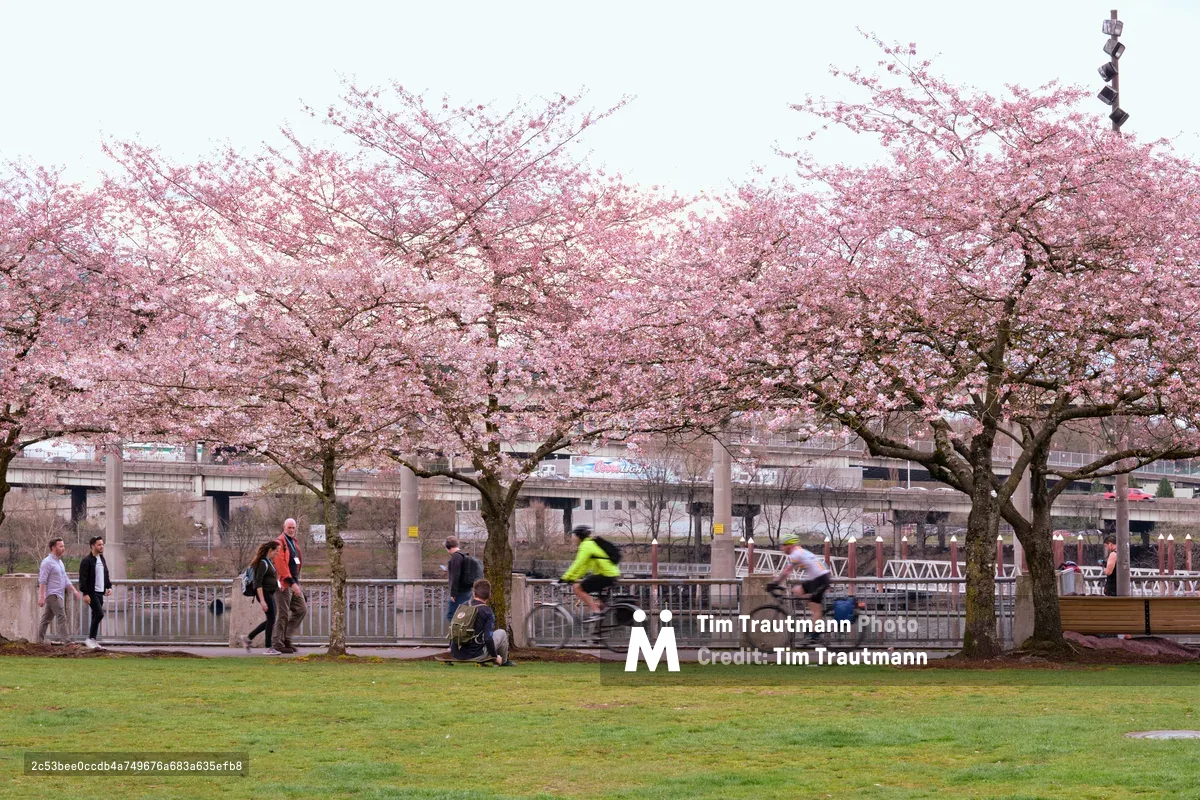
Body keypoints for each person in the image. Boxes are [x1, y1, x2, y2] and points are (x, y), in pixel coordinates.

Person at [768, 535, 832, 643]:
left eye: (783, 546)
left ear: (790, 545)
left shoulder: (796, 553)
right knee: (796, 591)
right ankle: (814, 617)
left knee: (816, 610)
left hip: (820, 579)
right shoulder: (799, 551)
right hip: (814, 579)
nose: (781, 549)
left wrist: (775, 583)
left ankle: (813, 635)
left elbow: (787, 571)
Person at [448, 579, 514, 666]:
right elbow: (488, 638)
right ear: (489, 595)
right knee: (501, 633)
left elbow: (454, 629)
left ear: (474, 593)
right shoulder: (487, 611)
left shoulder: (463, 606)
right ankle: (503, 661)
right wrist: (494, 656)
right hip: (476, 655)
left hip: (456, 654)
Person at [560, 525, 620, 615]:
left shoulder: (586, 545)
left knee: (578, 588)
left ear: (579, 537)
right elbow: (584, 567)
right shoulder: (592, 544)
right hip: (611, 574)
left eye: (575, 536)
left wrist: (565, 577)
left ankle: (596, 612)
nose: (574, 539)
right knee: (600, 604)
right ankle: (599, 619)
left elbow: (578, 563)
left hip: (605, 575)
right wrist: (573, 577)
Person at [37, 538, 83, 645]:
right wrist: (42, 597)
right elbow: (42, 580)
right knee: (62, 616)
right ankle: (67, 642)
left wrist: (75, 591)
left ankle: (39, 641)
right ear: (54, 548)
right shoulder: (47, 562)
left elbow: (65, 579)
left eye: (63, 546)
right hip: (52, 595)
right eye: (61, 546)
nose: (63, 548)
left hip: (59, 594)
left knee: (46, 620)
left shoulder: (60, 562)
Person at [271, 518, 307, 653]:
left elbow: (295, 565)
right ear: (284, 527)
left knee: (301, 609)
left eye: (293, 527)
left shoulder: (293, 542)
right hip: (284, 585)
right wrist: (292, 584)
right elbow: (281, 565)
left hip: (294, 583)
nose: (292, 530)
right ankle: (277, 642)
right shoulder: (279, 543)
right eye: (289, 527)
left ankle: (286, 637)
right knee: (283, 614)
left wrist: (296, 584)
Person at [242, 541, 282, 655]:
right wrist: (263, 601)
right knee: (271, 619)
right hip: (264, 594)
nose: (278, 553)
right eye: (277, 551)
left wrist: (278, 584)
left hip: (269, 593)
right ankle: (269, 647)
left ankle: (248, 638)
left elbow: (270, 578)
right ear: (270, 550)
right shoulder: (262, 563)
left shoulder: (269, 562)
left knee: (271, 619)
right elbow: (257, 583)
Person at [77, 536, 113, 648]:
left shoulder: (102, 559)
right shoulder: (86, 561)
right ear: (93, 546)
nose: (102, 546)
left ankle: (93, 640)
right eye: (99, 544)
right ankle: (90, 639)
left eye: (102, 544)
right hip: (91, 593)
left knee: (95, 615)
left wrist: (108, 586)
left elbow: (105, 574)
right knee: (99, 614)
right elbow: (82, 579)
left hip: (100, 592)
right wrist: (85, 594)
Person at [444, 536, 474, 621]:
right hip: (467, 591)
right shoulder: (464, 555)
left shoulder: (455, 557)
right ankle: (461, 632)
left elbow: (455, 576)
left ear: (448, 547)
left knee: (452, 616)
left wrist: (453, 593)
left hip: (459, 593)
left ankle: (456, 633)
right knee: (463, 615)